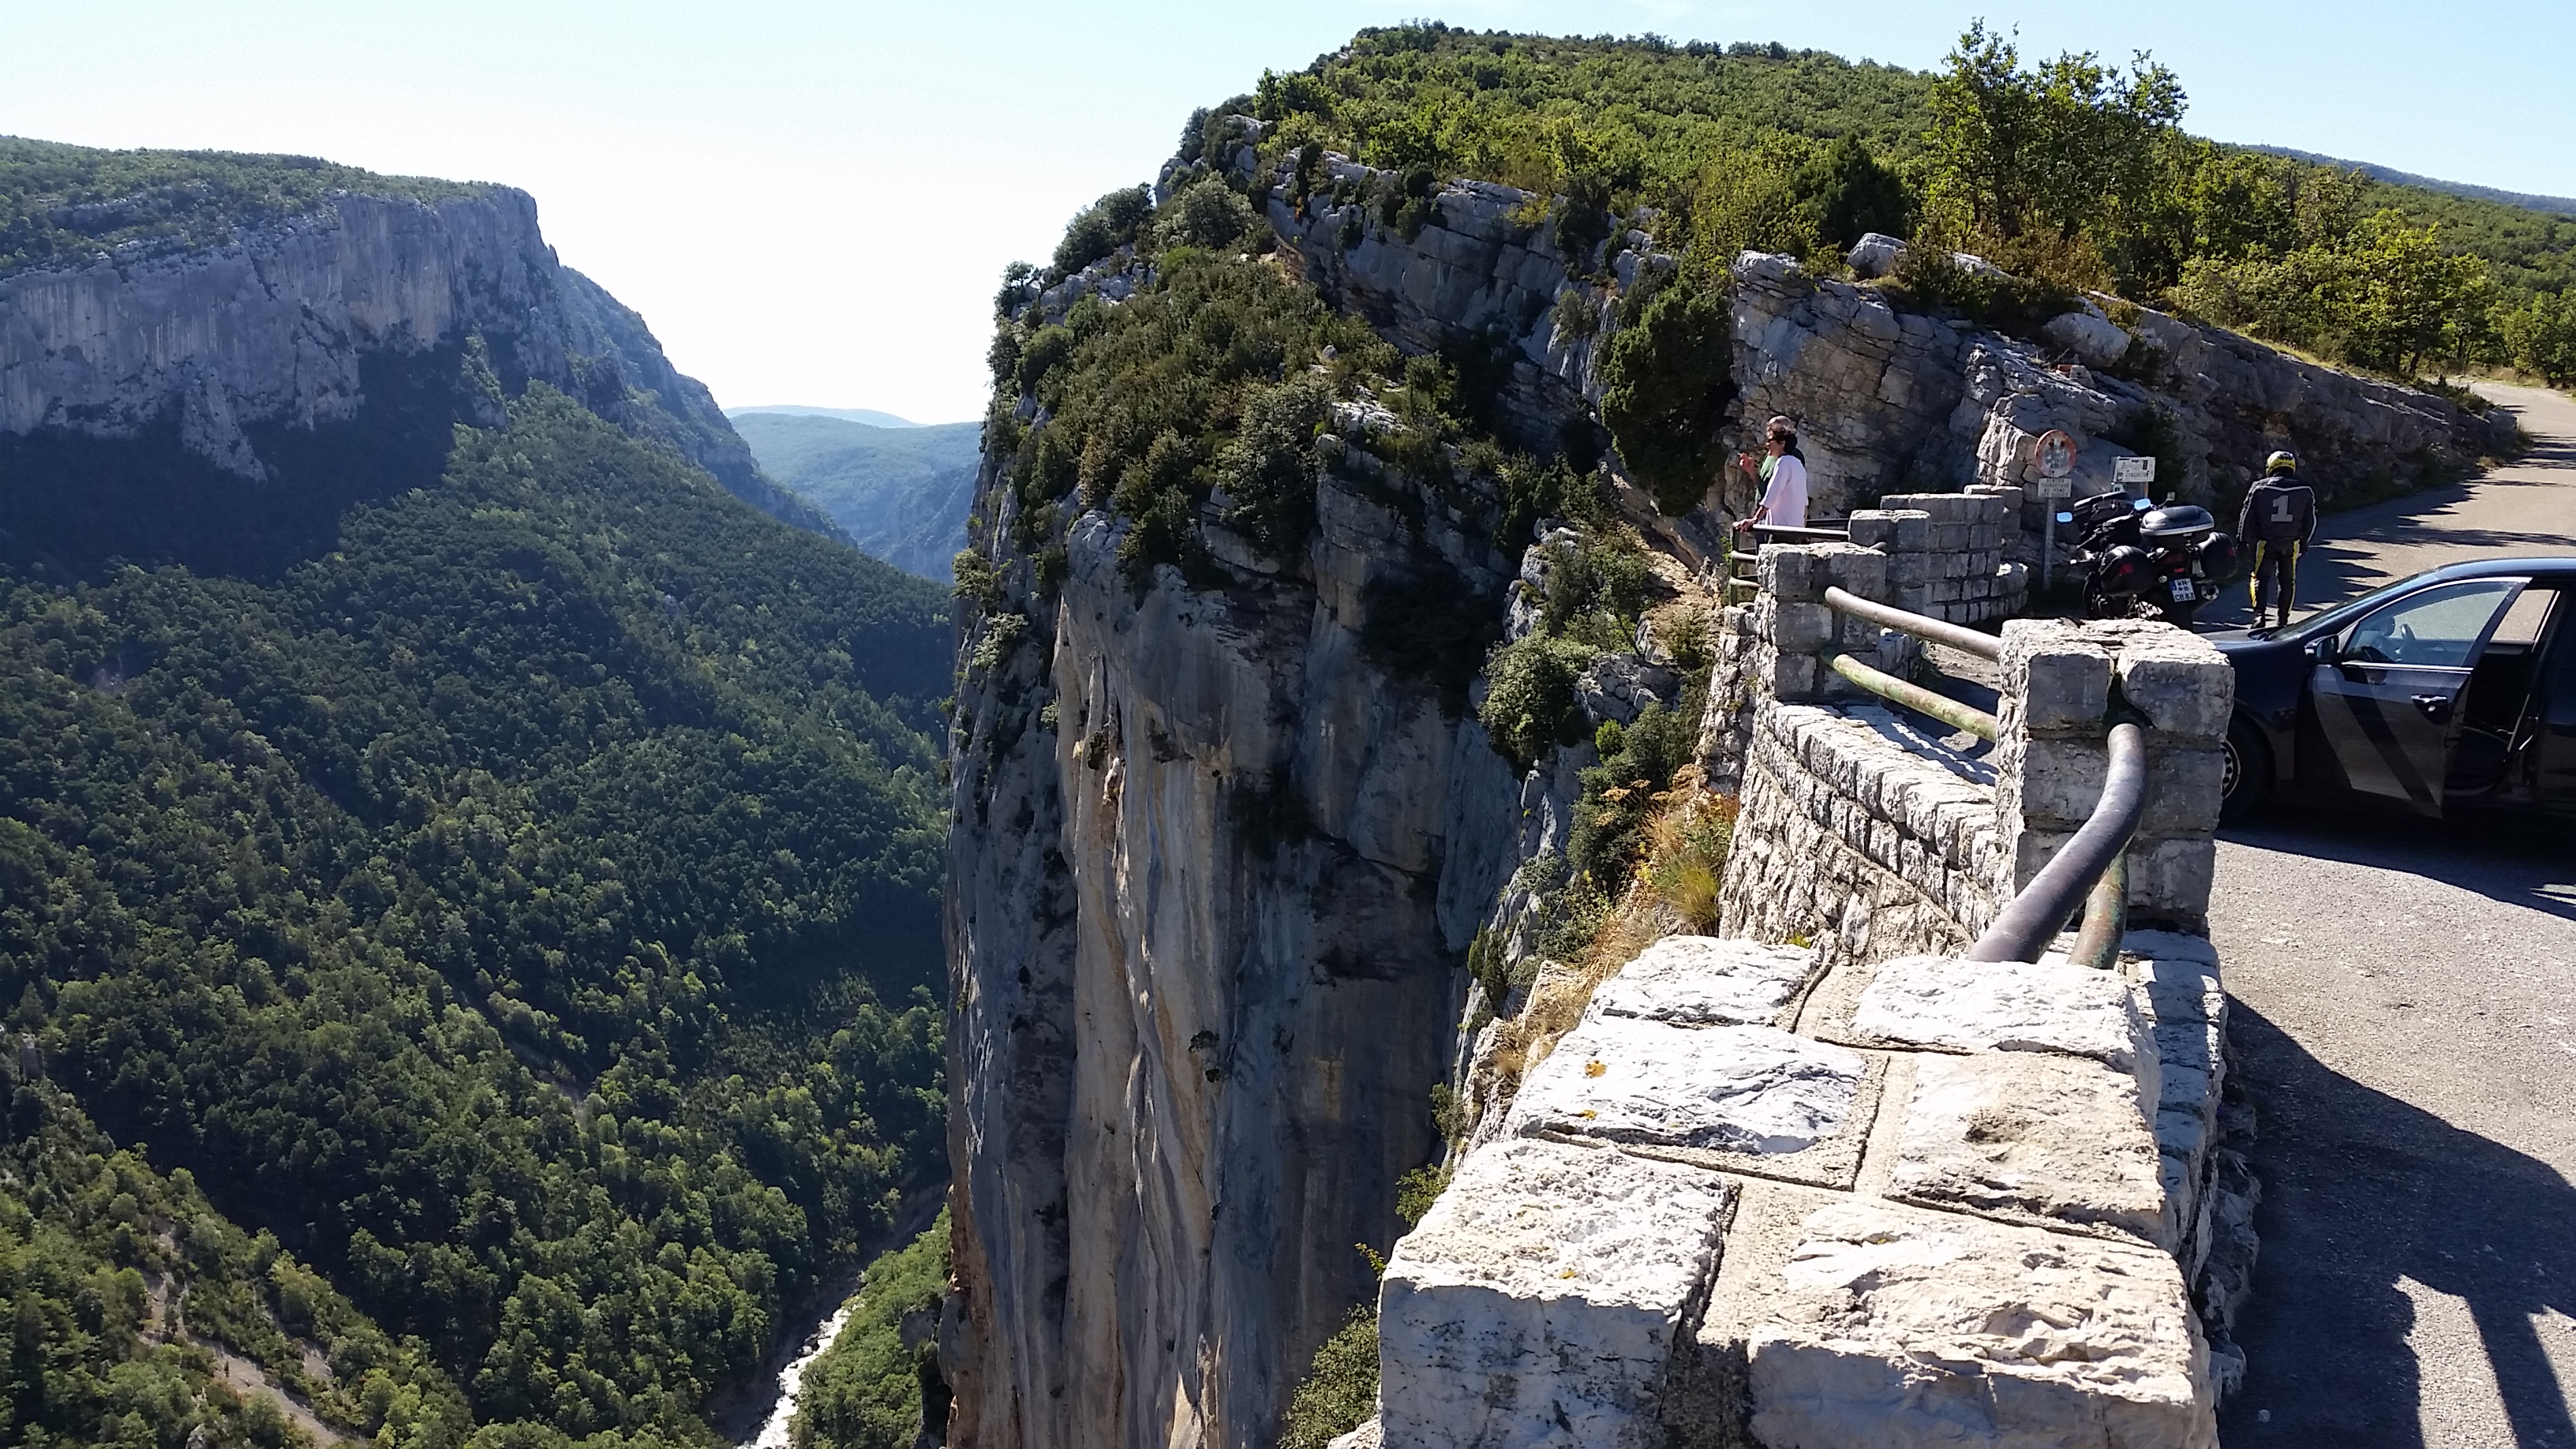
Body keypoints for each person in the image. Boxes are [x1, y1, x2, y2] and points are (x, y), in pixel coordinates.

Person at [2237, 450, 2316, 631]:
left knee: (2259, 578)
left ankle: (2259, 616)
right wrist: (2305, 541)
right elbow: (2310, 520)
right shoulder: (2305, 489)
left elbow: (2247, 516)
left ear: (2271, 466)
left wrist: (2242, 540)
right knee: (2287, 582)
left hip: (2265, 542)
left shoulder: (2259, 488)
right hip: (2291, 543)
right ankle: (2283, 620)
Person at [1734, 416, 1808, 535]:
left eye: (1770, 440)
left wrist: (1755, 520)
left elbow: (1771, 495)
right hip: (1793, 528)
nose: (1767, 444)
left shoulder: (1784, 462)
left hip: (1780, 528)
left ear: (1782, 442)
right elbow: (1804, 500)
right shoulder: (1796, 463)